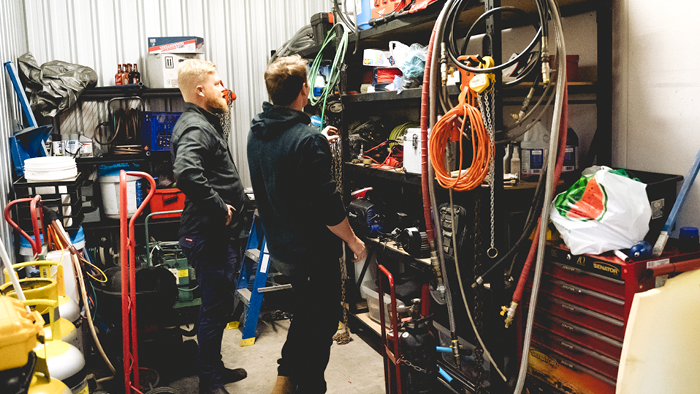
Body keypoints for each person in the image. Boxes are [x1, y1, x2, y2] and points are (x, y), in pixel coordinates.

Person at [247, 55, 367, 394]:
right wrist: (354, 241)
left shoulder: (258, 132)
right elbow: (329, 206)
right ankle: (310, 387)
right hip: (312, 252)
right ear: (304, 89)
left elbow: (285, 161)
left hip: (283, 246)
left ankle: (285, 378)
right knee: (322, 322)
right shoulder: (306, 139)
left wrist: (315, 140)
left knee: (305, 312)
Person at [171, 59, 249, 394]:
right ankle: (209, 382)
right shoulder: (196, 127)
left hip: (213, 233)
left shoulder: (201, 121)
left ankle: (213, 368)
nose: (222, 88)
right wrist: (219, 208)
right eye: (217, 83)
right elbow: (186, 171)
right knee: (215, 311)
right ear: (200, 90)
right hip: (209, 233)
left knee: (216, 308)